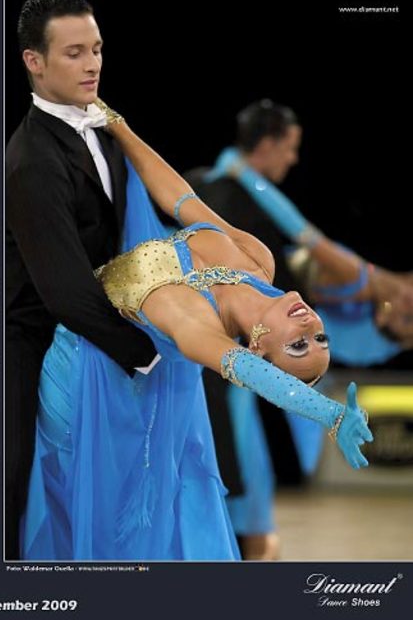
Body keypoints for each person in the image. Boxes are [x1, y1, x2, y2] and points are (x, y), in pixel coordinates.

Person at [20, 100, 373, 561]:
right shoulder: (257, 261)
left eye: (298, 345)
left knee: (88, 522)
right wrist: (118, 125)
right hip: (88, 336)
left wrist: (330, 414)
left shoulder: (199, 324)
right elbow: (179, 197)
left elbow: (249, 372)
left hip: (85, 381)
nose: (310, 325)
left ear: (257, 345)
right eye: (320, 338)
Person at [188, 99, 413, 559]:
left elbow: (308, 238)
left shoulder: (346, 287)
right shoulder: (231, 201)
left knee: (236, 454)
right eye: (289, 148)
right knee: (233, 455)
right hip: (225, 347)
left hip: (235, 348)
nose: (293, 159)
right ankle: (246, 546)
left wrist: (236, 169)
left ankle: (247, 546)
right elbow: (308, 240)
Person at [5, 0, 158, 560]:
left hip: (90, 338)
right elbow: (65, 291)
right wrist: (149, 353)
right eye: (74, 53)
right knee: (17, 491)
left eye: (96, 49)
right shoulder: (31, 159)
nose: (92, 64)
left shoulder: (104, 128)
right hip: (27, 347)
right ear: (34, 61)